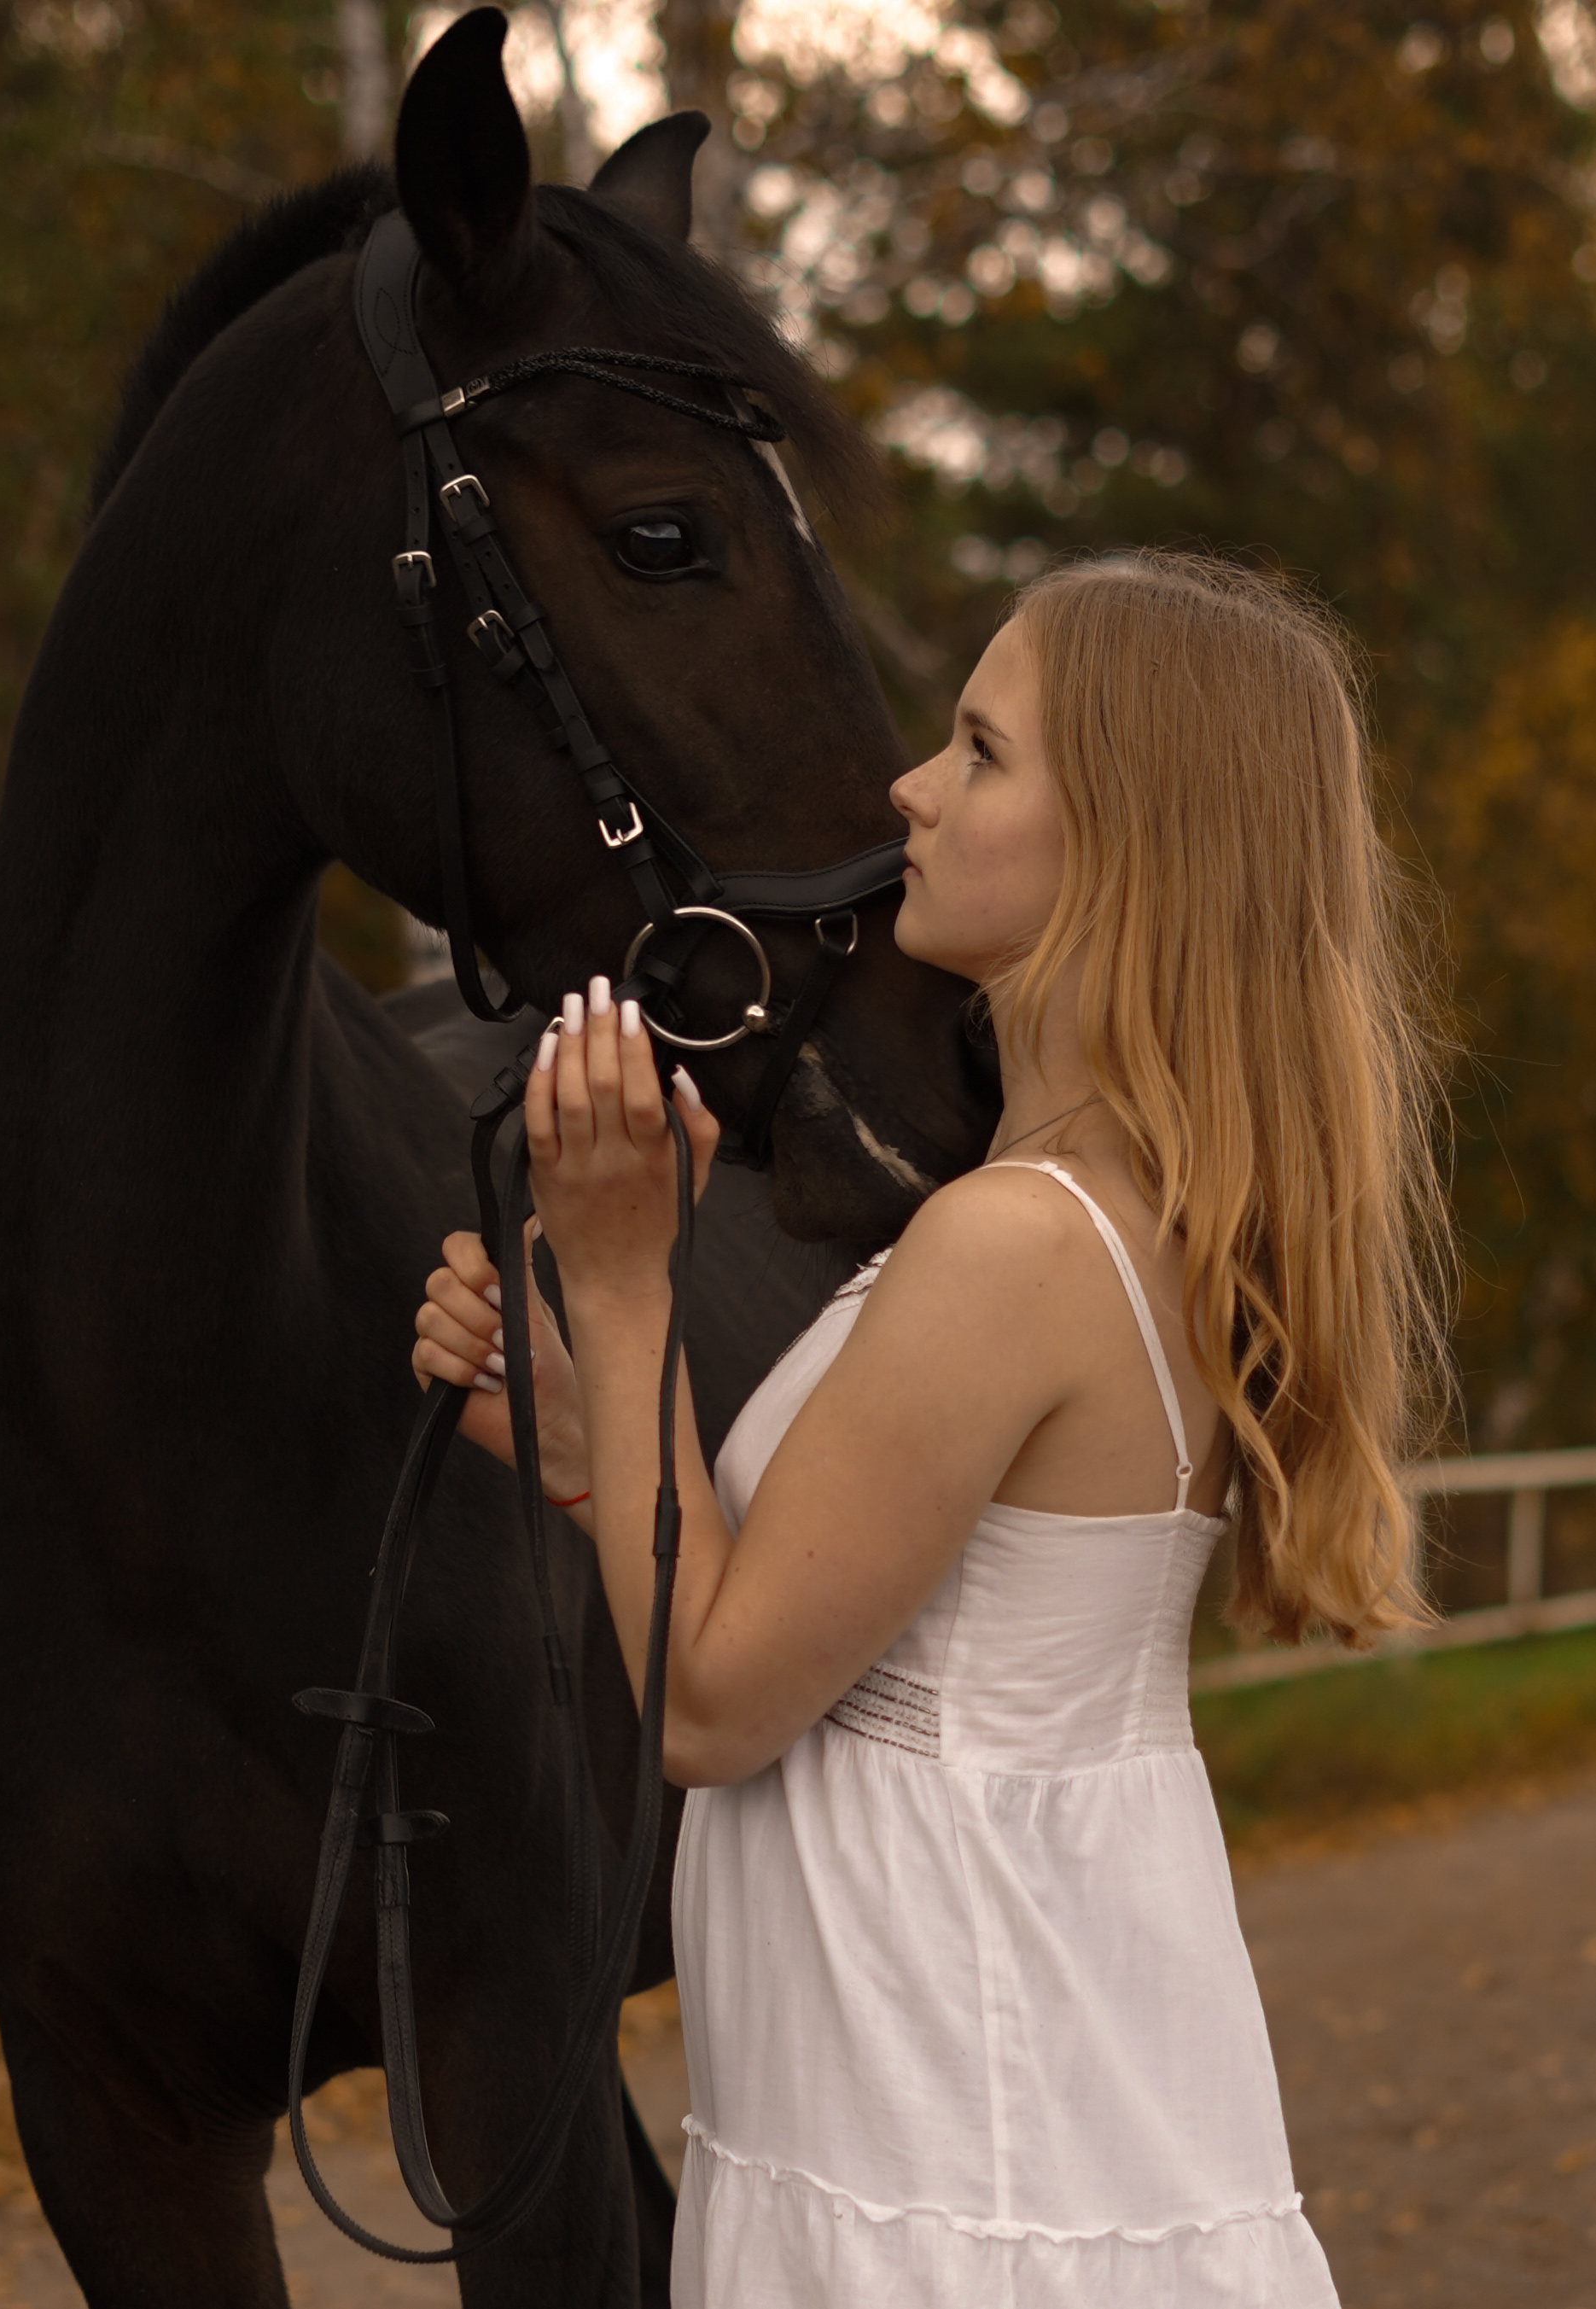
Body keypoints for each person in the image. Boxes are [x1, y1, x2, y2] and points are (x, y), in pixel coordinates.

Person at [412, 551, 1453, 2306]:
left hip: (943, 2122)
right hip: (970, 2081)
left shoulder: (1013, 1242)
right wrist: (588, 1435)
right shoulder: (1082, 1209)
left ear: (1125, 841)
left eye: (978, 750)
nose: (910, 786)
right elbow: (841, 1618)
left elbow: (716, 1698)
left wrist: (624, 1277)